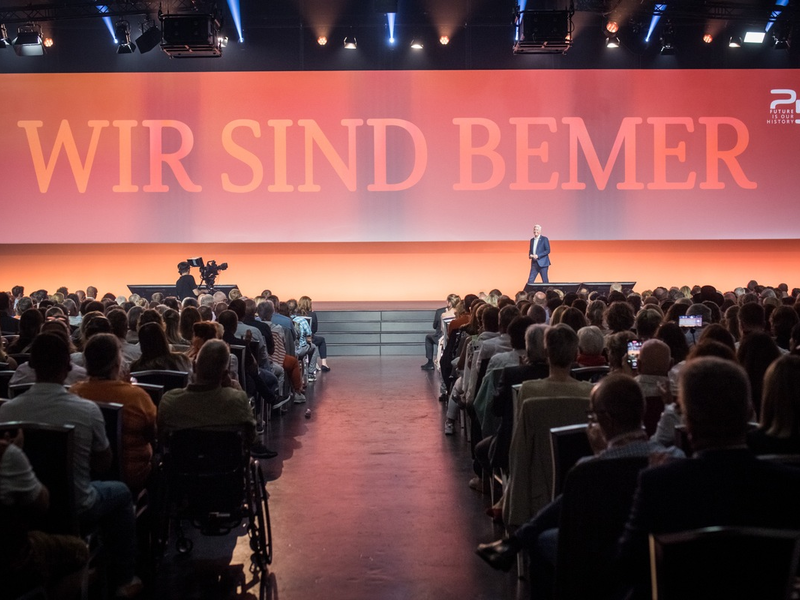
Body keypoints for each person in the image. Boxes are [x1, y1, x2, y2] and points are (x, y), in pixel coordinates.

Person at [476, 375, 683, 593]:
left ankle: (519, 542)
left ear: (607, 421)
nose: (590, 424)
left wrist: (599, 455)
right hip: (653, 557)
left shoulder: (587, 470)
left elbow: (571, 527)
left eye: (592, 417)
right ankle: (517, 540)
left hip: (601, 557)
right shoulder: (673, 459)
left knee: (543, 540)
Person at [616, 357, 800, 599]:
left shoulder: (660, 484)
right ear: (749, 413)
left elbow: (628, 566)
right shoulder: (790, 484)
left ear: (687, 421)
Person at [0, 333, 141, 597]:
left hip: (25, 510)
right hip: (79, 505)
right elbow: (104, 464)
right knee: (121, 492)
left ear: (31, 365)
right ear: (68, 365)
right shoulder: (87, 410)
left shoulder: (5, 413)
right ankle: (123, 579)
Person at [157, 339, 276, 459]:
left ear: (194, 366)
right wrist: (232, 387)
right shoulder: (237, 401)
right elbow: (251, 439)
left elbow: (162, 437)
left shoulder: (170, 401)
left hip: (182, 468)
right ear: (225, 375)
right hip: (226, 467)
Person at [70, 333, 157, 493]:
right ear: (117, 363)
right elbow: (152, 435)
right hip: (133, 475)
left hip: (86, 476)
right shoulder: (136, 397)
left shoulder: (74, 393)